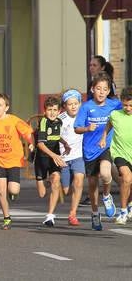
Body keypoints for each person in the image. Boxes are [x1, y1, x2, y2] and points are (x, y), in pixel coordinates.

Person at [75, 72, 121, 231]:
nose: (101, 92)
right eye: (98, 88)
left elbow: (127, 111)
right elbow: (77, 128)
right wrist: (87, 128)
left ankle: (107, 196)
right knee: (93, 185)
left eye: (105, 89)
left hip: (106, 147)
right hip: (89, 150)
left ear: (109, 91)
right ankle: (95, 213)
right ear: (92, 89)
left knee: (106, 173)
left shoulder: (114, 105)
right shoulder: (86, 107)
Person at [0, 93, 34, 230]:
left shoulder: (13, 120)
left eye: (0, 105)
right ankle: (6, 218)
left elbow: (28, 132)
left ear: (6, 107)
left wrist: (31, 143)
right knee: (1, 190)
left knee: (13, 189)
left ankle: (12, 193)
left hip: (14, 160)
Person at [32, 96, 70, 227]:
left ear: (59, 111)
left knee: (56, 180)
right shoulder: (43, 122)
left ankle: (50, 216)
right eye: (49, 109)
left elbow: (57, 136)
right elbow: (41, 145)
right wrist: (54, 155)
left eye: (55, 110)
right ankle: (45, 181)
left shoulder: (59, 122)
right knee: (42, 194)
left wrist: (65, 143)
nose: (52, 112)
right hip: (41, 160)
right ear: (45, 111)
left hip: (54, 158)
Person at [99, 86, 132, 224]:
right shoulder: (115, 114)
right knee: (126, 177)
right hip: (119, 152)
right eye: (125, 105)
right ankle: (123, 211)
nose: (128, 108)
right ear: (121, 101)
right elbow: (109, 124)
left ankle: (129, 206)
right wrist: (103, 138)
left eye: (131, 106)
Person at [58, 89, 85, 226]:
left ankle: (72, 214)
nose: (73, 106)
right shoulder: (61, 119)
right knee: (66, 190)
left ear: (80, 103)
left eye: (76, 103)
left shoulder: (83, 116)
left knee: (79, 181)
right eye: (70, 104)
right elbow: (56, 137)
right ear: (64, 106)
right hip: (64, 158)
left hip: (78, 156)